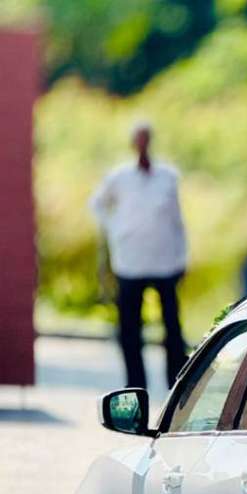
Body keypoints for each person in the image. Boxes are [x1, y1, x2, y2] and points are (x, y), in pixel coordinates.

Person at [90, 122, 188, 389]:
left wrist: (182, 257)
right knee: (130, 329)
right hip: (130, 262)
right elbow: (97, 204)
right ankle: (135, 385)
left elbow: (177, 219)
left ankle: (176, 383)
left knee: (172, 327)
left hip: (164, 261)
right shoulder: (119, 177)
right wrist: (116, 232)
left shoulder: (167, 176)